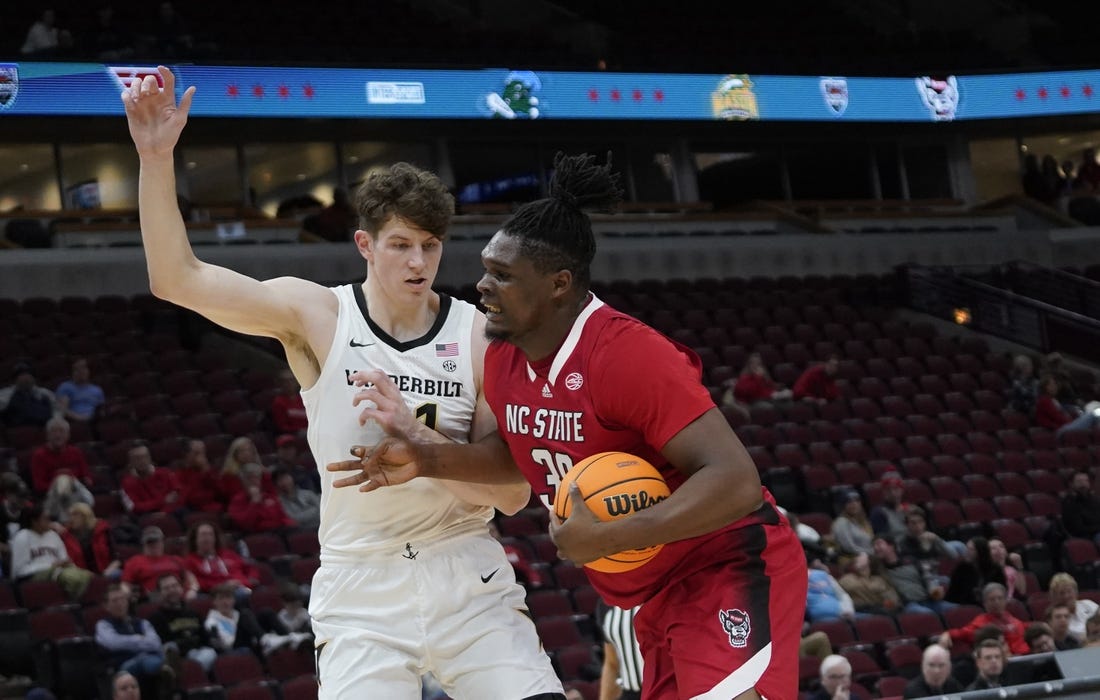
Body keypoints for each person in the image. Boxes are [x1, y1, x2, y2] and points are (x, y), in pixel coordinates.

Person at [123, 65, 563, 700]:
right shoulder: (317, 316)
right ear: (365, 243)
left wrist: (419, 444)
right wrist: (155, 158)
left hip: (467, 570)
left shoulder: (480, 336)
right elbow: (176, 279)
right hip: (361, 585)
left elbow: (513, 494)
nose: (418, 262)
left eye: (431, 246)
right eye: (401, 244)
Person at [330, 151, 808, 700]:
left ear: (558, 284)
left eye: (503, 276)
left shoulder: (628, 354)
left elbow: (735, 481)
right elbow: (518, 457)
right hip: (652, 593)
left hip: (724, 564)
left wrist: (610, 537)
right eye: (487, 269)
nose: (483, 286)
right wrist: (425, 457)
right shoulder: (505, 355)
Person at [11, 502, 93, 599]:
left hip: (57, 570)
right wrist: (51, 566)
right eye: (45, 519)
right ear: (34, 521)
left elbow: (63, 558)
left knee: (88, 576)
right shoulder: (22, 536)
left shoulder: (53, 535)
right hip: (32, 576)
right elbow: (20, 570)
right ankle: (75, 604)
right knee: (69, 577)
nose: (49, 521)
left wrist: (65, 563)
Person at [95, 583, 167, 686]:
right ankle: (165, 668)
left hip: (148, 658)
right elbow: (114, 643)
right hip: (122, 666)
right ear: (106, 606)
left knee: (168, 647)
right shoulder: (103, 625)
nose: (120, 603)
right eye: (114, 601)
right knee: (144, 659)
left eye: (122, 599)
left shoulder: (142, 622)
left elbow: (155, 643)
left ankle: (165, 668)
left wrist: (130, 643)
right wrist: (140, 638)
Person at [148, 573, 218, 673]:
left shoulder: (193, 613)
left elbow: (206, 640)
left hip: (201, 654)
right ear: (160, 593)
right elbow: (163, 647)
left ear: (181, 588)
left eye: (174, 586)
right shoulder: (156, 618)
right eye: (167, 588)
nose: (172, 590)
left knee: (210, 653)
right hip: (178, 658)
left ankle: (190, 671)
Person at [938, 583, 1029, 655]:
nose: (996, 602)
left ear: (1005, 600)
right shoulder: (980, 623)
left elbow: (1024, 626)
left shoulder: (1011, 618)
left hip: (1027, 657)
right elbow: (961, 633)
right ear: (985, 604)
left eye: (1000, 598)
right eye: (992, 600)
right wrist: (947, 634)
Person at [873, 537, 954, 616]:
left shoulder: (910, 560)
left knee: (954, 609)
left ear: (891, 546)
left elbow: (927, 578)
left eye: (879, 544)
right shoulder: (880, 571)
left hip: (929, 600)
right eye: (874, 546)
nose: (875, 548)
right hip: (908, 605)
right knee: (928, 615)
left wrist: (934, 590)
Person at [182, 521, 259, 596]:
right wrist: (223, 586)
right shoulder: (190, 561)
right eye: (203, 535)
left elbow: (250, 568)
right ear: (195, 539)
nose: (207, 538)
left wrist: (250, 580)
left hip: (243, 587)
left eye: (210, 534)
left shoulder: (229, 554)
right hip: (220, 595)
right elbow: (197, 582)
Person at [123, 526, 199, 598]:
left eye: (156, 541)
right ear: (144, 544)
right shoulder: (135, 562)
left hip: (181, 597)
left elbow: (191, 579)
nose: (153, 545)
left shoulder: (176, 559)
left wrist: (192, 591)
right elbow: (125, 584)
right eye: (150, 542)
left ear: (162, 542)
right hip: (153, 599)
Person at [31, 417, 93, 496]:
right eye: (54, 431)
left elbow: (86, 476)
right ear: (47, 435)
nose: (58, 435)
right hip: (52, 496)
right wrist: (63, 488)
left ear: (68, 435)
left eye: (62, 431)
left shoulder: (76, 452)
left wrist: (86, 481)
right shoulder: (39, 456)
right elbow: (39, 485)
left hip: (76, 492)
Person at [227, 462, 295, 533]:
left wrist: (292, 525)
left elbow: (283, 517)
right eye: (249, 478)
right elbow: (247, 525)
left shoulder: (268, 496)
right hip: (259, 535)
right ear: (243, 481)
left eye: (257, 478)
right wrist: (254, 503)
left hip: (281, 530)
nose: (254, 481)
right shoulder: (237, 501)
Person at [61, 502, 122, 578]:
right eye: (70, 515)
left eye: (76, 515)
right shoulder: (66, 536)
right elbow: (67, 562)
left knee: (118, 574)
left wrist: (106, 572)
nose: (72, 519)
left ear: (86, 517)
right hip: (81, 574)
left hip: (106, 571)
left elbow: (116, 558)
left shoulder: (103, 531)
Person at [120, 441, 183, 516]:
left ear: (150, 458)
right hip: (145, 517)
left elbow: (177, 496)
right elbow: (134, 507)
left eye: (144, 456)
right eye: (137, 458)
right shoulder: (127, 483)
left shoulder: (166, 473)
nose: (142, 461)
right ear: (130, 462)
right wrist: (162, 501)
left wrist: (164, 512)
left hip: (170, 513)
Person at [597, 600, 642, 700]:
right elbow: (611, 663)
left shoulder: (656, 590)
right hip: (630, 694)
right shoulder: (605, 605)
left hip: (666, 690)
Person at [945, 537, 1006, 606]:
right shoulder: (961, 568)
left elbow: (1002, 590)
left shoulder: (995, 569)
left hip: (989, 605)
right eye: (967, 548)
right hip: (963, 605)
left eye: (971, 549)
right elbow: (952, 593)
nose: (966, 552)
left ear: (980, 552)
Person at [837, 552, 899, 616]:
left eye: (860, 556)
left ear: (869, 561)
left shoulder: (879, 581)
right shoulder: (848, 578)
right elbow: (836, 591)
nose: (856, 558)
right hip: (856, 613)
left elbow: (893, 601)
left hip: (878, 613)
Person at [0, 362, 59, 428]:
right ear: (15, 379)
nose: (26, 377)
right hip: (18, 432)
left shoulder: (45, 393)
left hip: (44, 430)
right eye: (22, 375)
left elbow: (57, 411)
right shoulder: (6, 394)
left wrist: (55, 422)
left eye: (29, 374)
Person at [176, 439, 226, 514]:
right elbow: (183, 496)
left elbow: (221, 492)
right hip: (188, 508)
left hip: (207, 508)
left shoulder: (211, 471)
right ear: (188, 455)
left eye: (203, 453)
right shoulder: (180, 472)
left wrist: (206, 471)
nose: (201, 457)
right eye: (197, 453)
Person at [1048, 572, 1099, 642]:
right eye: (1061, 593)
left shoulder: (1087, 604)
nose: (1066, 596)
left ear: (1075, 591)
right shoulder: (1057, 616)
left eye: (1069, 591)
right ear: (1054, 597)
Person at [56, 358, 105, 423]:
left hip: (95, 421)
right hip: (74, 422)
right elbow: (63, 409)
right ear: (72, 372)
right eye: (77, 369)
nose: (81, 371)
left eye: (83, 368)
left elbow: (102, 410)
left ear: (88, 371)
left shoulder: (97, 390)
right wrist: (81, 418)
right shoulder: (66, 387)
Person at [831, 488, 873, 560]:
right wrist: (872, 553)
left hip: (869, 557)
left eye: (857, 500)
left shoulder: (860, 522)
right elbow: (848, 548)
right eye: (849, 501)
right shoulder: (841, 523)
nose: (854, 504)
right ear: (843, 505)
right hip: (852, 559)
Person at [1061, 470, 1100, 545]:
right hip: (1088, 536)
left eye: (1086, 481)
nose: (1083, 484)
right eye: (1079, 481)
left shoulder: (1095, 499)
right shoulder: (1069, 503)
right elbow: (1078, 529)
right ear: (1071, 484)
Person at [867, 472, 908, 539]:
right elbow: (884, 541)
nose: (893, 493)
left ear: (902, 490)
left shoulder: (910, 509)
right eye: (888, 490)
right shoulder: (878, 513)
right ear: (883, 492)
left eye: (896, 489)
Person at [270, 369, 308, 435]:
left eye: (291, 380)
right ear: (280, 383)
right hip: (291, 435)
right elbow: (282, 427)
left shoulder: (305, 399)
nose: (289, 384)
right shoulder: (278, 402)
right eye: (285, 381)